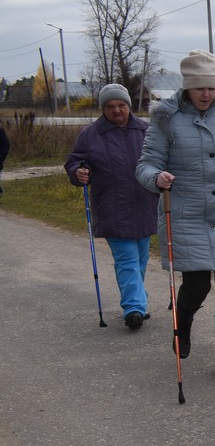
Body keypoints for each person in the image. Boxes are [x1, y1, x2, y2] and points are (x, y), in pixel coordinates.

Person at [136, 50, 215, 376]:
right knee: (198, 284)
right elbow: (146, 165)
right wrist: (156, 178)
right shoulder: (166, 119)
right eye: (199, 87)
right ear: (187, 86)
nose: (206, 94)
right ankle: (182, 324)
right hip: (187, 213)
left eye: (211, 87)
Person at [64, 84, 159, 329]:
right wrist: (78, 173)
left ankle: (139, 301)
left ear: (129, 106)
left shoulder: (146, 130)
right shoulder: (91, 134)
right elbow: (74, 162)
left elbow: (160, 158)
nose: (116, 110)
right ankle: (134, 308)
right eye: (110, 107)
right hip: (112, 206)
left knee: (140, 258)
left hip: (145, 203)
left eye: (121, 105)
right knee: (127, 258)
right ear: (103, 109)